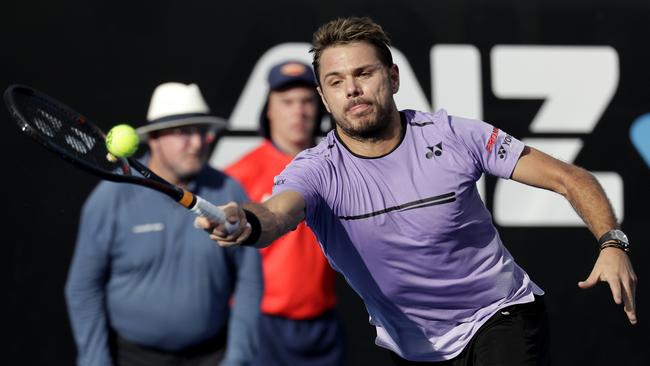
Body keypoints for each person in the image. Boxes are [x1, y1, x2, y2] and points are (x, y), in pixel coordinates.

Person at [196, 17, 637, 365]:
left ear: (392, 76)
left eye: (364, 73)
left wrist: (612, 242)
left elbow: (570, 178)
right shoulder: (316, 170)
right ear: (324, 97)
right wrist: (247, 222)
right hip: (412, 346)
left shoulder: (456, 136)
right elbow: (276, 215)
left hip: (500, 315)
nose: (352, 89)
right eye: (335, 81)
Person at [65, 82, 263, 366]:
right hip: (132, 357)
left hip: (212, 356)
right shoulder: (110, 199)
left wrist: (238, 358)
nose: (196, 143)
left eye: (201, 131)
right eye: (183, 132)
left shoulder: (229, 191)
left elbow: (249, 279)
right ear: (154, 139)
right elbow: (83, 287)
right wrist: (95, 360)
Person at [225, 61, 345, 366]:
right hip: (262, 322)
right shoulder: (238, 176)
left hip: (323, 321)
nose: (299, 112)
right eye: (287, 102)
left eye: (306, 101)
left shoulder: (338, 166)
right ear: (269, 109)